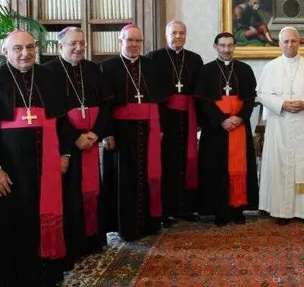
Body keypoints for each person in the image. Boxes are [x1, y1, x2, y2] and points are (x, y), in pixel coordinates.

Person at [0, 30, 77, 286]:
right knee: (11, 224)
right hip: (10, 170)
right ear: (6, 52)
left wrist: (65, 154)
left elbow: (63, 123)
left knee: (41, 219)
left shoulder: (49, 77)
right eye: (18, 49)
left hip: (46, 167)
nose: (25, 53)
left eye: (30, 47)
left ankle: (45, 274)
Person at [42, 27, 112, 267]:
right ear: (60, 46)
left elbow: (106, 107)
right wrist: (75, 137)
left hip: (91, 141)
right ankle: (72, 243)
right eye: (73, 44)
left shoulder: (93, 69)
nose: (79, 48)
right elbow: (53, 115)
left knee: (93, 190)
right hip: (65, 145)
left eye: (82, 43)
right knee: (69, 193)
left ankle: (92, 239)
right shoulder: (47, 73)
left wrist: (95, 133)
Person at [100, 24, 167, 241]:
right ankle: (125, 227)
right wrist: (106, 133)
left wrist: (160, 129)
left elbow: (159, 102)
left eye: (138, 41)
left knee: (148, 175)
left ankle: (149, 223)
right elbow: (103, 106)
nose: (134, 45)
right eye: (130, 40)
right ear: (121, 42)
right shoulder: (107, 67)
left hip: (148, 130)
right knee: (124, 178)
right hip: (120, 133)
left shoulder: (152, 66)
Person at [257, 26, 304, 225]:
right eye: (285, 41)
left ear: (299, 43)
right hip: (280, 124)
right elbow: (262, 94)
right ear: (279, 44)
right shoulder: (270, 67)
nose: (289, 45)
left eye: (293, 41)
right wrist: (282, 104)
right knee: (280, 166)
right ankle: (281, 211)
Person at [194, 32, 259, 226]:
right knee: (215, 169)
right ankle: (219, 211)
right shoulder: (206, 71)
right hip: (215, 130)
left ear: (234, 46)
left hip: (239, 126)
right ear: (215, 47)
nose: (226, 49)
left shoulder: (245, 69)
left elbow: (250, 100)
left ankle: (237, 210)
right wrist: (221, 120)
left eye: (230, 45)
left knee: (240, 168)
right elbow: (203, 102)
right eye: (222, 45)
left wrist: (239, 118)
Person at [146, 20, 203, 225]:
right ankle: (165, 210)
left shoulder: (195, 59)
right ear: (166, 34)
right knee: (166, 163)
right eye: (174, 33)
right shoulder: (153, 58)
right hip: (164, 117)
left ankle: (185, 208)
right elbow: (151, 92)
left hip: (188, 117)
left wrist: (199, 120)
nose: (178, 37)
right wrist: (157, 124)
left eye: (181, 33)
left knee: (186, 162)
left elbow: (199, 92)